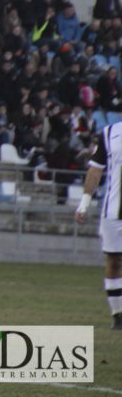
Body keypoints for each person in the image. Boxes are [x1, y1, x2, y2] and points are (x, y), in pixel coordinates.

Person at [77, 127, 122, 330]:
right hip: (113, 211)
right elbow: (96, 169)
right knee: (114, 260)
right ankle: (118, 314)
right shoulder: (110, 133)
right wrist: (84, 202)